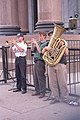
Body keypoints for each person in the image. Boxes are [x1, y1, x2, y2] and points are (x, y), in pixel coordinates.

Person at [42, 30, 69, 104]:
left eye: (53, 35)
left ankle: (65, 97)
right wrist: (45, 49)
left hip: (60, 64)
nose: (52, 37)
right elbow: (43, 53)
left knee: (62, 82)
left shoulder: (62, 42)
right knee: (52, 83)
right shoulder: (48, 44)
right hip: (51, 64)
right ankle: (55, 97)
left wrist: (63, 45)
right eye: (50, 35)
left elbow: (66, 53)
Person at [31, 31, 48, 98]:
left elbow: (40, 51)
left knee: (40, 77)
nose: (39, 37)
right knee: (35, 77)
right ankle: (37, 90)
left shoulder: (45, 44)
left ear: (44, 36)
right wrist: (32, 44)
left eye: (40, 36)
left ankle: (42, 92)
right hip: (35, 61)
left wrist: (36, 44)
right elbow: (33, 51)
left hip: (41, 61)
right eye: (39, 36)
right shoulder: (38, 43)